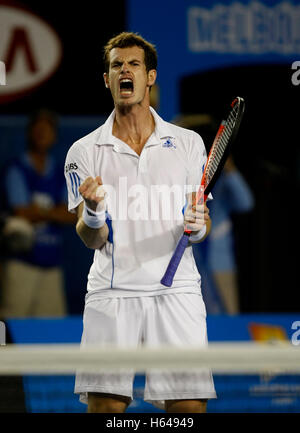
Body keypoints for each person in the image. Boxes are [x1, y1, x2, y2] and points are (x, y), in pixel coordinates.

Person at [64, 32, 216, 413]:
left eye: (133, 64)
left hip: (177, 291)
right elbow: (89, 237)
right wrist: (95, 211)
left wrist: (198, 226)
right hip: (113, 293)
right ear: (107, 79)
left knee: (189, 411)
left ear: (150, 77)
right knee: (106, 410)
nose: (124, 71)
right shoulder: (83, 151)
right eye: (116, 65)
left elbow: (201, 223)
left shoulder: (188, 144)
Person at [174, 114, 254, 314]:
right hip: (190, 263)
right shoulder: (184, 176)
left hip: (220, 263)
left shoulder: (225, 179)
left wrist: (231, 170)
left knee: (228, 317)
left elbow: (246, 203)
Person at [0, 109, 76, 318]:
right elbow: (21, 211)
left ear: (54, 135)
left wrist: (39, 211)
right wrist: (54, 212)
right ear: (29, 132)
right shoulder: (16, 168)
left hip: (51, 264)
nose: (42, 133)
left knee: (53, 331)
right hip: (20, 263)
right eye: (38, 129)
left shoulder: (60, 172)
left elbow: (73, 214)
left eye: (48, 129)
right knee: (10, 327)